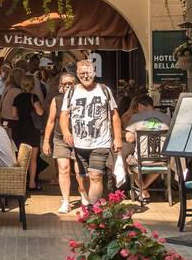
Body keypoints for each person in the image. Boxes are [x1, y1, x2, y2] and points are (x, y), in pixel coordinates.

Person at [60, 59, 122, 206]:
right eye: (82, 73)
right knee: (84, 177)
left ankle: (93, 210)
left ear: (94, 72)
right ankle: (91, 204)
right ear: (77, 74)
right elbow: (64, 115)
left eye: (88, 72)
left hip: (100, 142)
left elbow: (114, 115)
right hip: (79, 143)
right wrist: (66, 132)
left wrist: (118, 137)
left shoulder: (104, 90)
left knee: (96, 176)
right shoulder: (71, 92)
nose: (86, 76)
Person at [43, 71, 87, 214]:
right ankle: (66, 201)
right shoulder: (57, 100)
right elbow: (50, 121)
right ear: (61, 86)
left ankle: (83, 193)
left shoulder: (83, 98)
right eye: (65, 83)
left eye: (71, 83)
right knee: (63, 168)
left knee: (79, 170)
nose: (68, 86)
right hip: (60, 138)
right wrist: (46, 141)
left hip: (79, 138)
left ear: (76, 85)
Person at [122, 94, 173, 202]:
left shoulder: (136, 118)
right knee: (163, 163)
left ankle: (142, 189)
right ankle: (144, 188)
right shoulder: (167, 118)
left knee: (127, 161)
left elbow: (129, 139)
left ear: (140, 105)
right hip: (163, 159)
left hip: (142, 158)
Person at [7, 75, 46, 191]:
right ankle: (32, 183)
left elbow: (14, 114)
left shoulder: (17, 97)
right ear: (32, 85)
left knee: (21, 156)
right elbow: (40, 112)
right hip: (32, 129)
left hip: (19, 128)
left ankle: (21, 182)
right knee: (33, 158)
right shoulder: (34, 97)